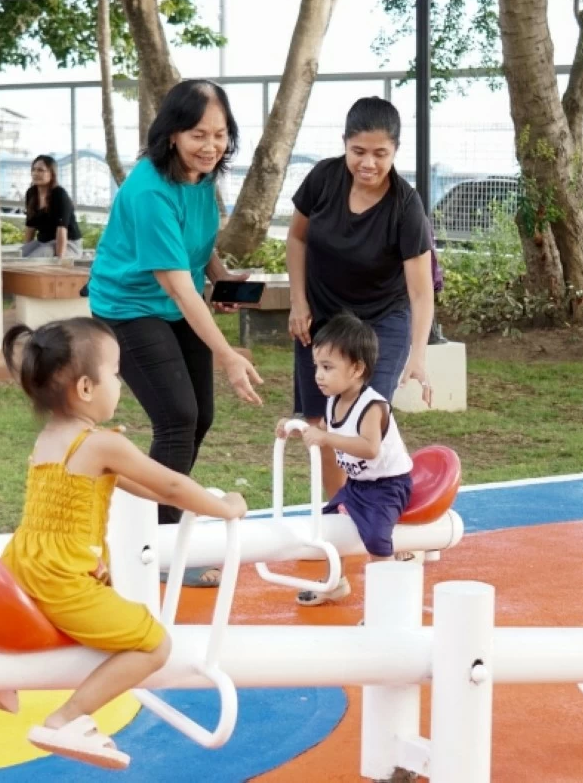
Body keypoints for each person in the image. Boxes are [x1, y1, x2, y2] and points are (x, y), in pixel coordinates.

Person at [0, 318, 247, 769]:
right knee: (153, 644)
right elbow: (170, 486)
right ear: (87, 388)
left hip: (25, 561)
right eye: (116, 373)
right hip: (60, 576)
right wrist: (223, 507)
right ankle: (66, 720)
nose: (121, 384)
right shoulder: (99, 444)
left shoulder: (54, 437)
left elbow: (141, 487)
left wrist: (198, 501)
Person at [89, 79, 263, 587]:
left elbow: (197, 246)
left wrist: (222, 276)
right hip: (129, 306)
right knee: (177, 417)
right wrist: (228, 354)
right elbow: (179, 289)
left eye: (220, 133)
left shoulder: (203, 177)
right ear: (170, 135)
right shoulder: (147, 190)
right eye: (197, 134)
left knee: (197, 416)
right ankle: (156, 550)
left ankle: (145, 524)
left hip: (169, 301)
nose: (211, 145)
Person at [286, 97, 434, 498]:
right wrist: (298, 303)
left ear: (395, 152)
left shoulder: (406, 206)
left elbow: (421, 293)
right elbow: (297, 238)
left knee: (365, 419)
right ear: (345, 144)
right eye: (358, 152)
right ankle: (336, 511)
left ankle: (379, 509)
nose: (368, 163)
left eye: (380, 154)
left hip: (379, 322)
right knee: (321, 420)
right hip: (323, 320)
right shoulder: (323, 178)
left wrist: (418, 355)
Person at [276, 313, 414, 606]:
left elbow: (369, 448)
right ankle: (334, 582)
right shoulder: (335, 399)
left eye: (327, 367)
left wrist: (325, 439)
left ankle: (386, 604)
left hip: (388, 486)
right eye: (317, 367)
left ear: (356, 369)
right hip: (358, 484)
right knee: (326, 525)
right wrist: (296, 430)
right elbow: (324, 430)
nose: (318, 375)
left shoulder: (372, 406)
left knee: (377, 538)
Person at [21, 155, 84, 259]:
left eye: (41, 170)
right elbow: (30, 227)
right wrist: (26, 248)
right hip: (43, 242)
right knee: (19, 256)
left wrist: (59, 261)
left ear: (52, 174)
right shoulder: (31, 193)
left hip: (67, 244)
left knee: (35, 257)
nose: (36, 173)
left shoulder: (59, 194)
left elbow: (62, 229)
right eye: (34, 170)